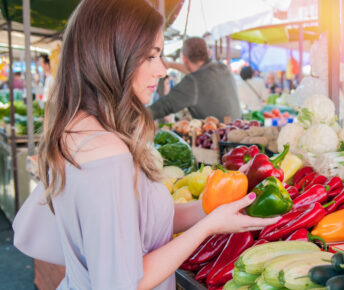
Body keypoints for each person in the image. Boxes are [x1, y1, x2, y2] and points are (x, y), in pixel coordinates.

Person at [12, 1, 279, 289]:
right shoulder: (106, 155)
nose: (163, 70)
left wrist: (214, 207)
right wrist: (209, 227)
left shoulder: (77, 129)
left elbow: (147, 223)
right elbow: (125, 284)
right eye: (152, 56)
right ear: (112, 57)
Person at [150, 37, 241, 121]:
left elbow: (163, 106)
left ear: (184, 59)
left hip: (218, 137)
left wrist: (138, 117)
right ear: (208, 53)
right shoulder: (222, 68)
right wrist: (169, 64)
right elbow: (197, 71)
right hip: (239, 131)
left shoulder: (193, 82)